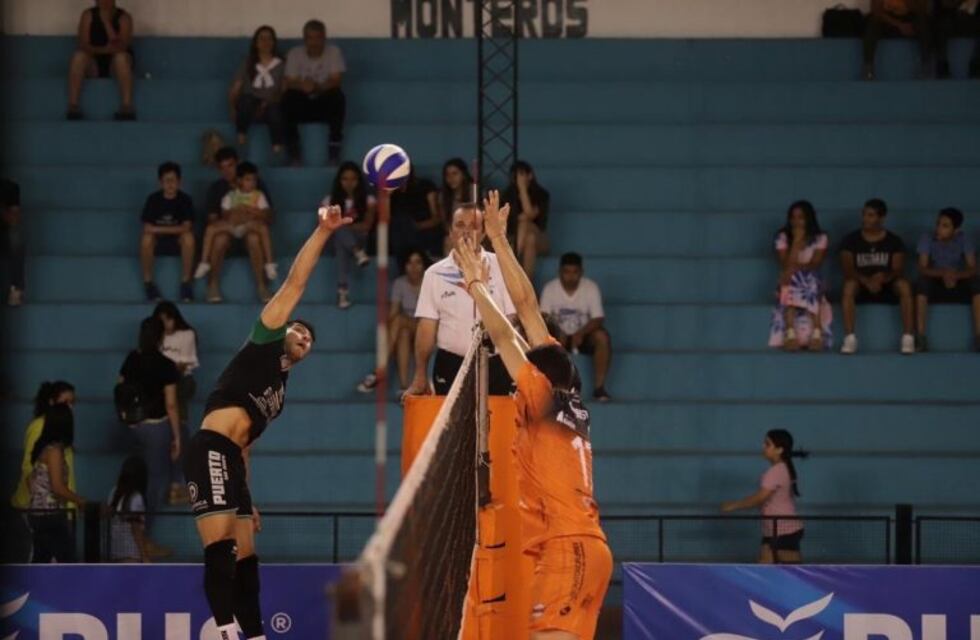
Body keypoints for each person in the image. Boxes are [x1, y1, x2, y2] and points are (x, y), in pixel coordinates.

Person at [183, 205, 350, 640]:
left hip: (232, 460)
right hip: (210, 447)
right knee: (221, 549)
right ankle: (223, 632)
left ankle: (254, 634)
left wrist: (246, 494)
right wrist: (322, 231)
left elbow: (247, 445)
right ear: (284, 330)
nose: (305, 337)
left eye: (310, 339)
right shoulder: (265, 338)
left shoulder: (278, 391)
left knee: (247, 560)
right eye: (300, 331)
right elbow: (296, 282)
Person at [454, 191, 611, 640]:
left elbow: (506, 333)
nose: (527, 349)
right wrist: (500, 241)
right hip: (582, 548)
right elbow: (526, 311)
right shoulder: (567, 397)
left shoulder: (541, 392)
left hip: (568, 551)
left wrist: (475, 285)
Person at [404, 203, 517, 398]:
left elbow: (513, 319)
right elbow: (426, 329)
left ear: (483, 233)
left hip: (497, 364)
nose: (466, 232)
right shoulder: (434, 274)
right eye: (460, 225)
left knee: (498, 427)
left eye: (473, 226)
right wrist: (420, 374)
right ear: (450, 232)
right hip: (451, 364)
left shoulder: (501, 266)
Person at [118, 316, 181, 534]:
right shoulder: (166, 365)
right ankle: (145, 536)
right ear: (161, 336)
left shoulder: (131, 359)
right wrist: (177, 438)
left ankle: (129, 532)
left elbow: (120, 388)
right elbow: (171, 404)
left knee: (135, 475)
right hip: (156, 428)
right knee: (155, 482)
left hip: (131, 427)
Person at [839, 198, 915, 355]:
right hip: (861, 285)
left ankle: (908, 338)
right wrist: (866, 280)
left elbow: (898, 269)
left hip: (886, 285)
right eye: (864, 214)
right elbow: (847, 268)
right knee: (848, 286)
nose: (865, 219)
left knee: (904, 286)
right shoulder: (850, 240)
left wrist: (883, 278)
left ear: (882, 218)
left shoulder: (894, 241)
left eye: (871, 215)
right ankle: (850, 338)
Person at [201, 148, 276, 303]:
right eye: (223, 167)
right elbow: (213, 219)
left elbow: (268, 217)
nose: (227, 171)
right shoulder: (217, 189)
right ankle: (213, 284)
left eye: (231, 165)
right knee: (220, 238)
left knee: (254, 238)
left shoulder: (256, 185)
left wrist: (251, 213)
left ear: (238, 164)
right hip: (228, 231)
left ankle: (262, 286)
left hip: (250, 230)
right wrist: (232, 217)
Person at [722, 429, 807, 565]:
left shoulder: (775, 471)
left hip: (782, 530)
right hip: (776, 530)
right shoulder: (783, 468)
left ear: (779, 449)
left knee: (779, 569)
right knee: (769, 567)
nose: (763, 446)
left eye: (767, 444)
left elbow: (759, 498)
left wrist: (734, 505)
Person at [539, 253, 613, 402]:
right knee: (540, 339)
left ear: (581, 272)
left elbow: (598, 318)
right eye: (567, 272)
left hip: (584, 336)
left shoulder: (591, 288)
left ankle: (599, 388)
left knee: (602, 338)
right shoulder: (550, 289)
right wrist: (558, 333)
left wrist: (580, 333)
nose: (571, 277)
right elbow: (542, 318)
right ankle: (546, 389)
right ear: (560, 272)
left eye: (575, 272)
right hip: (558, 336)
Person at [358, 249, 427, 394]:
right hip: (407, 327)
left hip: (427, 329)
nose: (414, 267)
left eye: (418, 263)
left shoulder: (430, 282)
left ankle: (379, 370)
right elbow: (393, 313)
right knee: (402, 333)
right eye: (410, 263)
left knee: (400, 321)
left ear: (424, 265)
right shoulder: (400, 283)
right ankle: (403, 387)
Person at [767, 201, 833, 352]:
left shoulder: (820, 237)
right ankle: (790, 333)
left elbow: (815, 264)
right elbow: (785, 265)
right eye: (793, 218)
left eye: (800, 217)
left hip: (811, 279)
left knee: (809, 278)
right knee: (789, 278)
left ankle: (817, 333)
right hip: (788, 278)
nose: (796, 222)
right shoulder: (782, 237)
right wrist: (796, 242)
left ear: (809, 219)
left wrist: (796, 268)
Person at [28, 404, 88, 563]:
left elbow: (31, 480)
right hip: (50, 515)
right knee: (67, 562)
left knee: (41, 560)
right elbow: (57, 487)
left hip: (39, 514)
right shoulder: (54, 451)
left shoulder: (44, 448)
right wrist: (80, 501)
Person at [915, 207, 980, 351]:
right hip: (936, 278)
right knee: (921, 284)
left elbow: (972, 268)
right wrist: (943, 273)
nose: (939, 228)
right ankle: (920, 337)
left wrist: (956, 275)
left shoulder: (964, 239)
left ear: (955, 230)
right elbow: (922, 268)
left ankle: (979, 337)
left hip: (957, 279)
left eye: (945, 226)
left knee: (977, 283)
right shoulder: (927, 238)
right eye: (938, 223)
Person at [282, 19, 346, 165]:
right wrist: (304, 86)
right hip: (303, 104)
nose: (314, 42)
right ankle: (294, 152)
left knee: (337, 96)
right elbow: (290, 81)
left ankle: (334, 149)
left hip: (323, 102)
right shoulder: (294, 53)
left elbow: (336, 80)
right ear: (305, 39)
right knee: (288, 98)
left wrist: (316, 87)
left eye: (318, 37)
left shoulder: (334, 52)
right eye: (310, 38)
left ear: (324, 38)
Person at [154, 301, 200, 504]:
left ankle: (177, 484)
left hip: (180, 381)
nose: (166, 324)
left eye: (169, 319)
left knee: (179, 431)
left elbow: (189, 361)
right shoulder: (155, 336)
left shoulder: (187, 334)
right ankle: (174, 484)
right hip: (161, 384)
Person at [12, 381, 77, 511]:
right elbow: (29, 467)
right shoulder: (39, 426)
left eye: (72, 403)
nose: (70, 407)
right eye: (65, 402)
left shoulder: (61, 432)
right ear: (51, 402)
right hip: (41, 507)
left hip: (59, 505)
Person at [66, 0, 135, 120]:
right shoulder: (88, 15)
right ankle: (73, 106)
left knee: (121, 58)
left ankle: (126, 106)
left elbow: (122, 46)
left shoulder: (124, 18)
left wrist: (106, 22)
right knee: (79, 57)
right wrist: (104, 50)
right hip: (94, 62)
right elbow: (83, 44)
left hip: (116, 65)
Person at [321, 161, 375, 309]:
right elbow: (325, 226)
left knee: (339, 232)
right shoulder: (329, 200)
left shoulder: (369, 200)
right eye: (345, 179)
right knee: (338, 236)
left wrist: (343, 225)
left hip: (361, 239)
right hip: (338, 240)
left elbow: (366, 225)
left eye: (353, 179)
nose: (349, 183)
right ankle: (357, 253)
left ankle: (342, 291)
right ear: (339, 181)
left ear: (359, 181)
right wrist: (345, 226)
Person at [141, 162, 196, 303]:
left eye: (174, 180)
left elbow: (187, 228)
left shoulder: (185, 200)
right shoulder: (153, 199)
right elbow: (147, 228)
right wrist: (170, 229)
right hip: (158, 241)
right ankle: (148, 282)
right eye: (167, 181)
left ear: (179, 182)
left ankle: (186, 283)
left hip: (177, 241)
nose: (170, 185)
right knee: (146, 239)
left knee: (188, 238)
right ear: (160, 182)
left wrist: (157, 229)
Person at [229, 25, 286, 157]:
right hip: (251, 105)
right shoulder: (248, 62)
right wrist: (231, 107)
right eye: (262, 39)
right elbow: (236, 88)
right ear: (256, 43)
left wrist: (269, 101)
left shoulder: (282, 64)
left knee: (275, 109)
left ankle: (277, 146)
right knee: (246, 100)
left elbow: (284, 89)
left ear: (274, 42)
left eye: (269, 39)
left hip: (271, 103)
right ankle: (241, 133)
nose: (266, 42)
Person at [502, 160, 551, 277]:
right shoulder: (508, 195)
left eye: (521, 175)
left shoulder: (542, 194)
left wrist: (523, 189)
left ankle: (513, 257)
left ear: (530, 175)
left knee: (525, 223)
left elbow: (529, 214)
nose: (518, 179)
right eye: (516, 176)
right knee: (530, 239)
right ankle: (527, 283)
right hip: (514, 237)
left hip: (540, 238)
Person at [863, 0, 932, 81]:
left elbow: (923, 9)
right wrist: (899, 25)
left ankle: (926, 68)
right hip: (889, 21)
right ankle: (868, 68)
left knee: (923, 21)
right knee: (873, 22)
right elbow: (876, 11)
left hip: (910, 19)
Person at [390, 169, 443, 262]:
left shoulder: (425, 186)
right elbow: (387, 221)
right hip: (402, 233)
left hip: (426, 229)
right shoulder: (394, 194)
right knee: (400, 222)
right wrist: (387, 196)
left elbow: (436, 218)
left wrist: (417, 226)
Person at [107, 455, 150, 562]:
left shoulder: (114, 492)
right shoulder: (136, 497)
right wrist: (144, 556)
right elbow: (136, 529)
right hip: (131, 555)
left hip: (114, 553)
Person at [933, 0, 980, 79]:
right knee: (944, 25)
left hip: (967, 18)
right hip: (947, 19)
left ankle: (974, 64)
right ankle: (942, 64)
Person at [440, 158, 474, 255]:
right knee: (448, 241)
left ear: (463, 175)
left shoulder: (474, 191)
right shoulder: (443, 196)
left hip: (474, 232)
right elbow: (446, 223)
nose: (451, 178)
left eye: (455, 174)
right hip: (456, 233)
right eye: (447, 175)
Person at [1, 177, 25, 306]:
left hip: (4, 233)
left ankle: (16, 289)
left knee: (16, 236)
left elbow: (14, 220)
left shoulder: (10, 188)